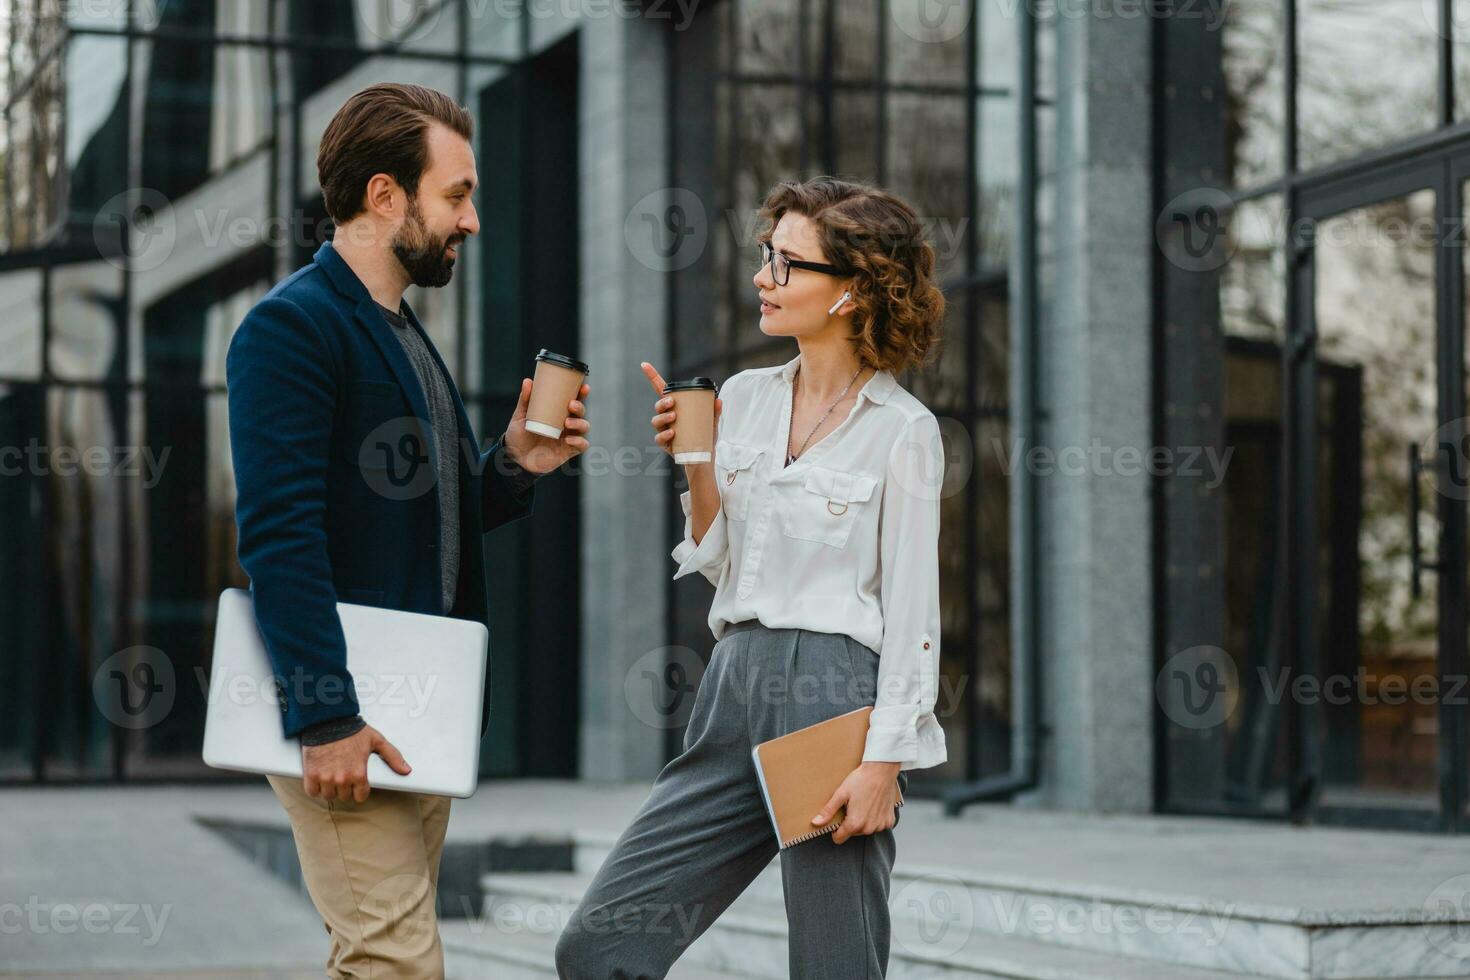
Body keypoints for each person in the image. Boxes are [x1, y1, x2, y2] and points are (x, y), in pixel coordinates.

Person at [225, 82, 590, 979]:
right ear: (385, 195)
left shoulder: (402, 335)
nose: (471, 221)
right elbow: (280, 534)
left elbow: (427, 521)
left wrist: (510, 468)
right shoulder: (291, 329)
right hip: (350, 713)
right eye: (457, 194)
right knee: (396, 960)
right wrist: (326, 716)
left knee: (381, 955)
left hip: (414, 711)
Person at [555, 176, 947, 979]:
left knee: (835, 963)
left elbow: (914, 612)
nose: (762, 279)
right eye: (766, 257)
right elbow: (721, 559)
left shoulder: (905, 432)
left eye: (787, 264)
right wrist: (697, 465)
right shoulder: (744, 398)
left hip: (833, 699)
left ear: (853, 291)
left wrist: (884, 762)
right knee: (601, 946)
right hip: (732, 684)